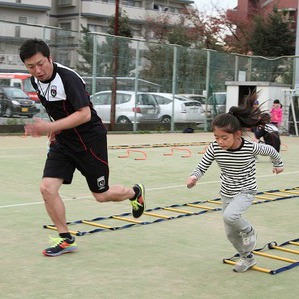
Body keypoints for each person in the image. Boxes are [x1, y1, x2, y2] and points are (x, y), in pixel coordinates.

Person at [19, 39, 145, 257]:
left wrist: (51, 126)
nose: (37, 70)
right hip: (64, 142)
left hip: (89, 141)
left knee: (101, 195)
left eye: (41, 64)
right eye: (31, 66)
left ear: (50, 58)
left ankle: (135, 193)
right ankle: (65, 239)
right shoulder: (35, 81)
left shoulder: (68, 78)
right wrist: (54, 130)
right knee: (47, 188)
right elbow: (55, 108)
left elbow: (84, 114)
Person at [186, 93, 284, 273]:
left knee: (230, 217)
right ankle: (247, 257)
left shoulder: (249, 147)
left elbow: (270, 150)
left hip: (246, 190)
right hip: (227, 192)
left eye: (224, 138)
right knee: (230, 233)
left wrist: (278, 164)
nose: (220, 141)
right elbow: (203, 164)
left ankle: (249, 231)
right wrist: (194, 176)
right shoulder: (215, 148)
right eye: (216, 137)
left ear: (237, 134)